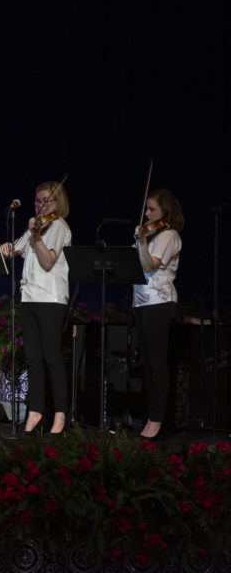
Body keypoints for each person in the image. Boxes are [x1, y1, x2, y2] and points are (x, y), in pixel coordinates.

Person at [1, 180, 72, 436]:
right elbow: (13, 251)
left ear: (57, 203)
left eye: (47, 201)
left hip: (51, 299)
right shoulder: (35, 228)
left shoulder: (58, 227)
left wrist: (37, 237)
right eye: (38, 201)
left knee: (51, 356)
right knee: (32, 358)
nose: (41, 206)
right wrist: (6, 248)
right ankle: (36, 410)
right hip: (29, 298)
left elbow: (47, 261)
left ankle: (61, 413)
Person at [132, 188, 183, 440]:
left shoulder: (169, 235)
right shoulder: (151, 235)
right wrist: (141, 240)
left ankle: (157, 419)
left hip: (159, 303)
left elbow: (149, 265)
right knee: (147, 364)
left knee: (157, 363)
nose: (147, 213)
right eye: (147, 209)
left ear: (165, 212)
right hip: (142, 303)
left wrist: (142, 241)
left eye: (152, 209)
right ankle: (149, 416)